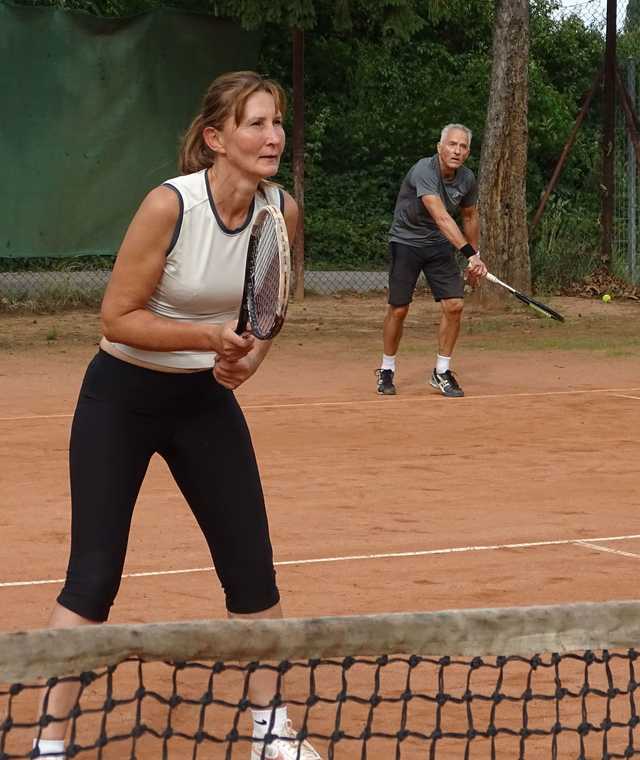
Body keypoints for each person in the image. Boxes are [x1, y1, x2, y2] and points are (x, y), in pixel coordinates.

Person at [34, 71, 321, 760]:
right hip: (121, 398)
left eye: (277, 121)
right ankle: (47, 740)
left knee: (252, 570)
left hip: (202, 404)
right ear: (216, 138)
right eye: (256, 123)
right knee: (93, 576)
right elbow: (117, 317)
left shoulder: (281, 211)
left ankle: (270, 731)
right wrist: (206, 339)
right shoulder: (171, 206)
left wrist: (244, 364)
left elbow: (269, 312)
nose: (273, 135)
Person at [375, 123, 487, 398]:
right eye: (452, 144)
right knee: (399, 309)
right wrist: (468, 254)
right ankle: (386, 368)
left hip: (439, 245)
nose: (457, 150)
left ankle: (441, 371)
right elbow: (441, 216)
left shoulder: (467, 179)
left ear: (468, 152)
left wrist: (477, 256)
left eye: (462, 146)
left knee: (455, 305)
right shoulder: (424, 170)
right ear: (440, 147)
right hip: (406, 241)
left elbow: (470, 217)